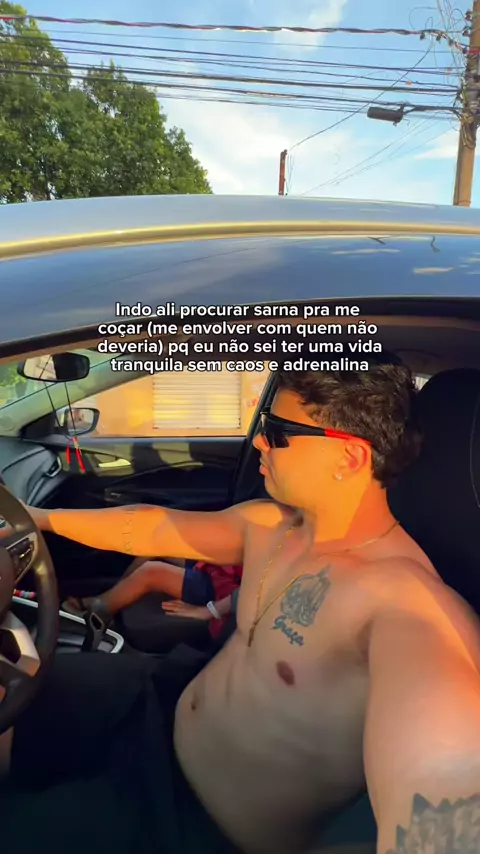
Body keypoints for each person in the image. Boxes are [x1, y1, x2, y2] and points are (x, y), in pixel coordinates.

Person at [9, 353, 480, 854]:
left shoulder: (409, 608)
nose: (258, 440)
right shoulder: (270, 523)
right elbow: (153, 526)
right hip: (156, 709)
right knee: (20, 688)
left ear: (349, 458)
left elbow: (444, 783)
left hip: (187, 824)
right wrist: (35, 518)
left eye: (278, 432)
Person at [62, 556, 242, 643]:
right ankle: (115, 596)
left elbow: (253, 590)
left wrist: (209, 611)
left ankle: (100, 613)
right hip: (225, 565)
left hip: (226, 588)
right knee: (156, 545)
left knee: (152, 572)